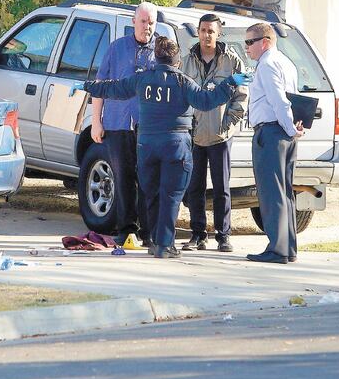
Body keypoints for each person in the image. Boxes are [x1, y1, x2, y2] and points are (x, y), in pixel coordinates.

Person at [76, 36, 252, 258]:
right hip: (175, 146)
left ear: (156, 59)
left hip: (147, 145)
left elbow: (115, 88)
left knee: (151, 194)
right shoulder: (183, 82)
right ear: (177, 61)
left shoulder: (141, 79)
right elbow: (207, 101)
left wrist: (86, 85)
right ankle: (164, 244)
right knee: (171, 196)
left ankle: (154, 240)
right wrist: (231, 82)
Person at [91, 2, 157, 247]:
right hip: (117, 123)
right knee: (123, 177)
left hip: (148, 126)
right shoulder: (116, 48)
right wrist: (96, 122)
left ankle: (149, 232)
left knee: (148, 178)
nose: (146, 27)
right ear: (133, 21)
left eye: (151, 22)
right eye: (142, 22)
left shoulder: (160, 51)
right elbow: (99, 87)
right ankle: (127, 229)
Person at [181, 13, 248, 252]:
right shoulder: (186, 60)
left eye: (211, 31)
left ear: (219, 34)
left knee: (221, 188)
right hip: (194, 135)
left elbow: (241, 97)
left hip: (221, 136)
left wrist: (228, 124)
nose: (206, 35)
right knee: (194, 187)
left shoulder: (231, 61)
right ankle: (198, 234)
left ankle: (223, 235)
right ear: (197, 32)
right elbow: (181, 95)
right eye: (203, 30)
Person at [243, 22, 304, 264]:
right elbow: (294, 99)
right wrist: (293, 129)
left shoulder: (267, 64)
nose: (247, 47)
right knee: (285, 191)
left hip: (271, 133)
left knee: (271, 192)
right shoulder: (285, 62)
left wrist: (289, 128)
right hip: (283, 134)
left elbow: (279, 101)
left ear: (265, 41)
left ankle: (277, 249)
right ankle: (287, 247)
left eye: (250, 42)